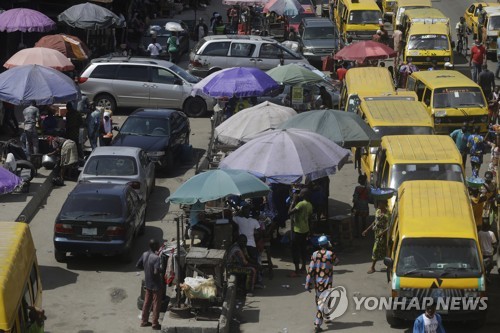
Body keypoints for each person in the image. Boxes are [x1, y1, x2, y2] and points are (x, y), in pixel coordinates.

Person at [305, 235, 339, 333]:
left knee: (320, 301)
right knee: (323, 303)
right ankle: (317, 324)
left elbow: (310, 269)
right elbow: (336, 262)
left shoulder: (315, 254)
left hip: (317, 283)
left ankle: (326, 316)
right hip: (327, 283)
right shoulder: (330, 254)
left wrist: (307, 283)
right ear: (327, 243)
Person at [136, 239, 163, 330]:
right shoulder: (156, 258)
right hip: (156, 285)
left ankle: (144, 321)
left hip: (148, 283)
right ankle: (155, 323)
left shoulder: (144, 254)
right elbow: (156, 272)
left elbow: (138, 265)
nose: (159, 246)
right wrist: (161, 270)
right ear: (155, 246)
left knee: (146, 302)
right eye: (158, 245)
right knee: (156, 304)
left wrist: (146, 269)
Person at [288, 188, 313, 277]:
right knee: (303, 249)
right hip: (305, 230)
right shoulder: (310, 205)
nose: (300, 195)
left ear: (304, 195)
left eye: (301, 193)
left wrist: (293, 201)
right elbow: (310, 219)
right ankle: (303, 268)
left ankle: (297, 270)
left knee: (295, 249)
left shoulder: (301, 204)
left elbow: (290, 212)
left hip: (297, 230)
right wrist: (310, 231)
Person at [362, 200, 390, 274]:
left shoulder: (388, 214)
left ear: (384, 204)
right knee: (383, 249)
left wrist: (381, 233)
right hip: (377, 233)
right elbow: (374, 222)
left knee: (376, 249)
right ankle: (388, 266)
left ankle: (372, 267)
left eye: (379, 203)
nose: (378, 204)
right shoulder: (378, 211)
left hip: (383, 235)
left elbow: (389, 226)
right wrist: (367, 230)